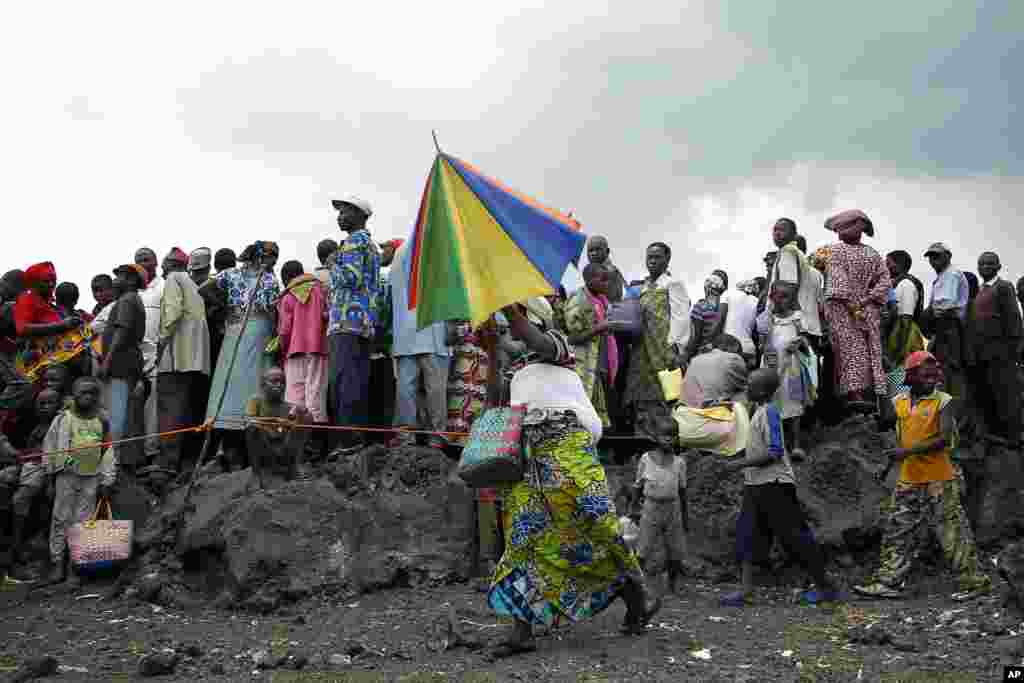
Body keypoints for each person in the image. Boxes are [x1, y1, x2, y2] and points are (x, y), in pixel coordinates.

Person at [486, 299, 659, 658]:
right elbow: (496, 407)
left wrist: (506, 308)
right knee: (522, 537)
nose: (509, 330)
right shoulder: (514, 368)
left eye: (515, 319)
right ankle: (521, 631)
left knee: (598, 525)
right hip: (530, 455)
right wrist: (491, 350)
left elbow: (529, 337)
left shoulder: (557, 345)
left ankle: (637, 598)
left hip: (569, 444)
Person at [853, 352, 992, 600]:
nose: (931, 378)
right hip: (909, 478)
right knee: (898, 531)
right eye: (924, 374)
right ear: (909, 377)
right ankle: (889, 582)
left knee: (952, 533)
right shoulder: (901, 401)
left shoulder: (943, 401)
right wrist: (881, 381)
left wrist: (906, 452)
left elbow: (943, 439)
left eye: (934, 374)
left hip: (939, 478)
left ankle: (975, 582)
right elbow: (889, 425)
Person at [719, 369, 842, 607]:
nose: (747, 387)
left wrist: (739, 463)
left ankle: (826, 587)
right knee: (748, 534)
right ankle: (745, 590)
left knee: (794, 537)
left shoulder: (771, 412)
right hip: (756, 483)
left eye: (751, 384)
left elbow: (775, 452)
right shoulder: (759, 412)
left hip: (775, 484)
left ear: (763, 391)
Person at [205, 242, 280, 471]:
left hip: (240, 330)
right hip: (252, 331)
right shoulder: (267, 280)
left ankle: (235, 447)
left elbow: (204, 289)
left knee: (235, 381)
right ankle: (237, 446)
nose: (274, 261)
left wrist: (227, 308)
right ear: (261, 257)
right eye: (271, 256)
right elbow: (273, 312)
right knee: (248, 379)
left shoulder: (233, 275)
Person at [43, 376, 117, 586]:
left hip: (91, 478)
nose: (87, 397)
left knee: (83, 522)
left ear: (97, 397)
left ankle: (74, 568)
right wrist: (49, 478)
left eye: (92, 393)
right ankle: (57, 563)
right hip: (66, 476)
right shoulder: (63, 419)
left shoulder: (101, 420)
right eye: (83, 392)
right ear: (73, 395)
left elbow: (107, 450)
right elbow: (50, 448)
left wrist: (107, 480)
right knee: (60, 519)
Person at [152, 248, 211, 489]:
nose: (162, 270)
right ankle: (182, 464)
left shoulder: (175, 279)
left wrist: (161, 343)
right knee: (187, 411)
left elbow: (173, 314)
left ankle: (167, 465)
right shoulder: (197, 285)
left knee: (170, 412)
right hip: (196, 360)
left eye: (164, 266)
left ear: (169, 266)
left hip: (177, 358)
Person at [821, 210, 891, 414]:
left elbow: (839, 286)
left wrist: (859, 303)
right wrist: (867, 300)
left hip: (846, 310)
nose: (839, 233)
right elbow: (884, 282)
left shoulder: (835, 252)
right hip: (859, 309)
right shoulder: (872, 253)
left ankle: (856, 395)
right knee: (863, 351)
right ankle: (860, 395)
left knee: (853, 352)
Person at [326, 196, 381, 454]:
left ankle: (347, 440)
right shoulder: (370, 244)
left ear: (359, 215)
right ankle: (356, 438)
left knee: (342, 379)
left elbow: (349, 277)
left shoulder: (353, 242)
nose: (339, 216)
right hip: (363, 322)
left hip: (347, 320)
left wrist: (331, 262)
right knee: (356, 380)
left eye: (344, 212)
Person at [388, 239, 449, 450]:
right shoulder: (436, 249)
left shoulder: (398, 256)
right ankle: (436, 438)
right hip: (434, 330)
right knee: (436, 388)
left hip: (405, 333)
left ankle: (406, 436)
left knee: (406, 386)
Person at [626, 243, 687, 435]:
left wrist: (675, 347)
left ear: (667, 259)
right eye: (649, 257)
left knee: (664, 395)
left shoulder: (672, 283)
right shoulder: (642, 287)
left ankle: (661, 441)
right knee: (641, 394)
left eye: (657, 257)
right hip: (641, 349)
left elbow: (681, 316)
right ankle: (642, 440)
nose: (652, 261)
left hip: (662, 350)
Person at [964, 252, 1022, 448]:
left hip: (1001, 352)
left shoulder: (1003, 287)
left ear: (998, 266)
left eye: (990, 263)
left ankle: (1012, 438)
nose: (985, 267)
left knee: (1005, 394)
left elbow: (1013, 319)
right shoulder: (979, 291)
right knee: (987, 394)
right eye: (981, 264)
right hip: (981, 354)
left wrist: (1013, 350)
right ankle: (994, 434)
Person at [7, 388, 62, 579]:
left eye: (50, 403)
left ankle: (17, 544)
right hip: (28, 465)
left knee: (20, 499)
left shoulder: (58, 425)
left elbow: (52, 457)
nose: (45, 407)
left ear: (59, 404)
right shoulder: (38, 425)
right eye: (41, 404)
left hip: (42, 469)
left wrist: (49, 481)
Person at [97, 264, 147, 472]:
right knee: (125, 410)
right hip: (126, 361)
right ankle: (126, 459)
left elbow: (122, 332)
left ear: (132, 280)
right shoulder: (130, 300)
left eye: (120, 276)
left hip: (121, 362)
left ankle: (122, 461)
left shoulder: (126, 300)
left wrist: (107, 360)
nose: (115, 280)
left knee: (120, 410)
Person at [631, 416, 687, 595]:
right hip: (651, 508)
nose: (669, 439)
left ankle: (674, 582)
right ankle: (635, 583)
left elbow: (683, 491)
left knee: (675, 550)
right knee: (643, 548)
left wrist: (685, 516)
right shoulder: (646, 460)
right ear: (655, 437)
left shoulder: (679, 463)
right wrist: (633, 508)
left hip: (673, 508)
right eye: (665, 435)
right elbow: (638, 486)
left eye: (673, 436)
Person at [757, 282, 814, 456]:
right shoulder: (766, 319)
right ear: (771, 297)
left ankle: (795, 445)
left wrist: (799, 343)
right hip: (771, 367)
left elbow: (807, 344)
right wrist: (771, 364)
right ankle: (775, 443)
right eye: (776, 296)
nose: (780, 300)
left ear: (792, 299)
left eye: (785, 296)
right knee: (772, 403)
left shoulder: (798, 318)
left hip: (792, 368)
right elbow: (763, 345)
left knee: (794, 403)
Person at [277, 260, 328, 444]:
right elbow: (326, 316)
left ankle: (296, 444)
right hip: (317, 348)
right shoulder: (320, 289)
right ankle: (316, 445)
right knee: (315, 394)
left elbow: (284, 330)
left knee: (294, 397)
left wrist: (282, 348)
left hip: (294, 350)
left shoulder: (287, 296)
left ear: (286, 278)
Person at [13, 262, 87, 383]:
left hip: (54, 361)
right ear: (34, 283)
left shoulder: (48, 304)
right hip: (34, 364)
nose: (51, 284)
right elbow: (22, 329)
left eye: (53, 280)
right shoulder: (27, 298)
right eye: (46, 281)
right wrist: (62, 325)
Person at [564, 263, 616, 428]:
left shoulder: (602, 301)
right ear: (589, 279)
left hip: (598, 365)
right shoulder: (578, 300)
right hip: (583, 365)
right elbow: (572, 338)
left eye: (608, 280)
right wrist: (598, 329)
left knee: (596, 414)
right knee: (582, 412)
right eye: (603, 280)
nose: (606, 284)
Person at [244, 367, 311, 489]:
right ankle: (256, 473)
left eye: (282, 382)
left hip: (284, 448)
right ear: (263, 384)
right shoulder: (256, 401)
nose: (279, 385)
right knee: (252, 427)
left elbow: (294, 425)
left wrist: (301, 412)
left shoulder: (288, 407)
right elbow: (249, 420)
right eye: (274, 381)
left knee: (306, 416)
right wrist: (274, 423)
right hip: (264, 447)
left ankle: (295, 466)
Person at [920, 242, 969, 398]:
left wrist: (927, 315)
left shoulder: (951, 274)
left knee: (949, 372)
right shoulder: (943, 276)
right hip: (944, 327)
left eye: (937, 256)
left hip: (949, 325)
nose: (933, 260)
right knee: (942, 371)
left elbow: (945, 305)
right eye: (931, 257)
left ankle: (953, 416)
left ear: (948, 256)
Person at [769, 218, 823, 346]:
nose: (777, 233)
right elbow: (821, 305)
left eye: (782, 230)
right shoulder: (815, 273)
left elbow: (786, 289)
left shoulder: (787, 251)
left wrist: (776, 319)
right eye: (775, 230)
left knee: (786, 365)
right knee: (807, 366)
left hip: (793, 327)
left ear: (793, 236)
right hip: (812, 328)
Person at [680, 334, 748, 409]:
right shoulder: (733, 358)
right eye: (739, 351)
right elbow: (744, 385)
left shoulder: (695, 359)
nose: (740, 355)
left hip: (686, 410)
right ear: (734, 347)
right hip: (712, 411)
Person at [682, 273, 727, 367]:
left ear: (708, 288)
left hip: (702, 354)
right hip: (721, 354)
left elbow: (695, 337)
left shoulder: (700, 307)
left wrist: (686, 356)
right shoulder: (726, 307)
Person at [724, 280, 760, 368]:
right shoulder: (757, 301)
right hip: (749, 349)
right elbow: (758, 329)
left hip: (730, 348)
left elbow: (720, 319)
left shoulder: (729, 294)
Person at [586, 236, 627, 303]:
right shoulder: (590, 272)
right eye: (590, 250)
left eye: (598, 249)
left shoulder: (612, 272)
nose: (594, 253)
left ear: (607, 251)